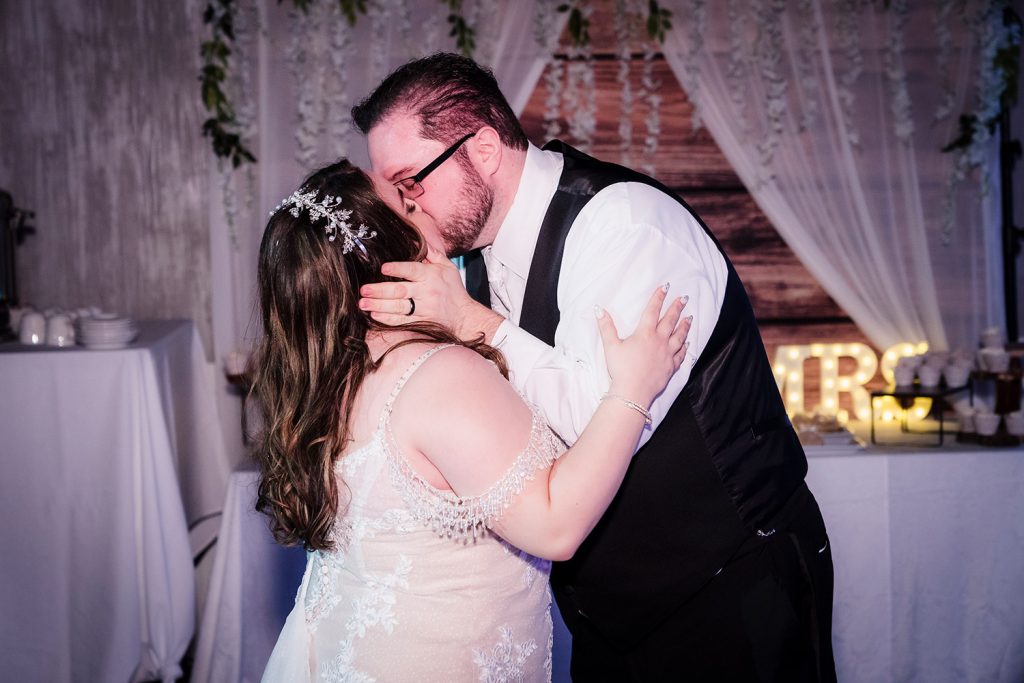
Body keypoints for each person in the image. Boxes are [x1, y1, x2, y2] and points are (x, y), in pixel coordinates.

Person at [353, 53, 837, 682]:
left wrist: (471, 322)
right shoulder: (468, 253)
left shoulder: (626, 225)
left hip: (730, 587)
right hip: (609, 609)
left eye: (410, 182)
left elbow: (599, 418)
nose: (401, 207)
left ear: (486, 150)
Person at [250, 159, 691, 681]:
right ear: (389, 256)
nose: (426, 208)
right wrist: (632, 389)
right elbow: (555, 524)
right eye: (408, 207)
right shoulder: (439, 376)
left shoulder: (327, 379)